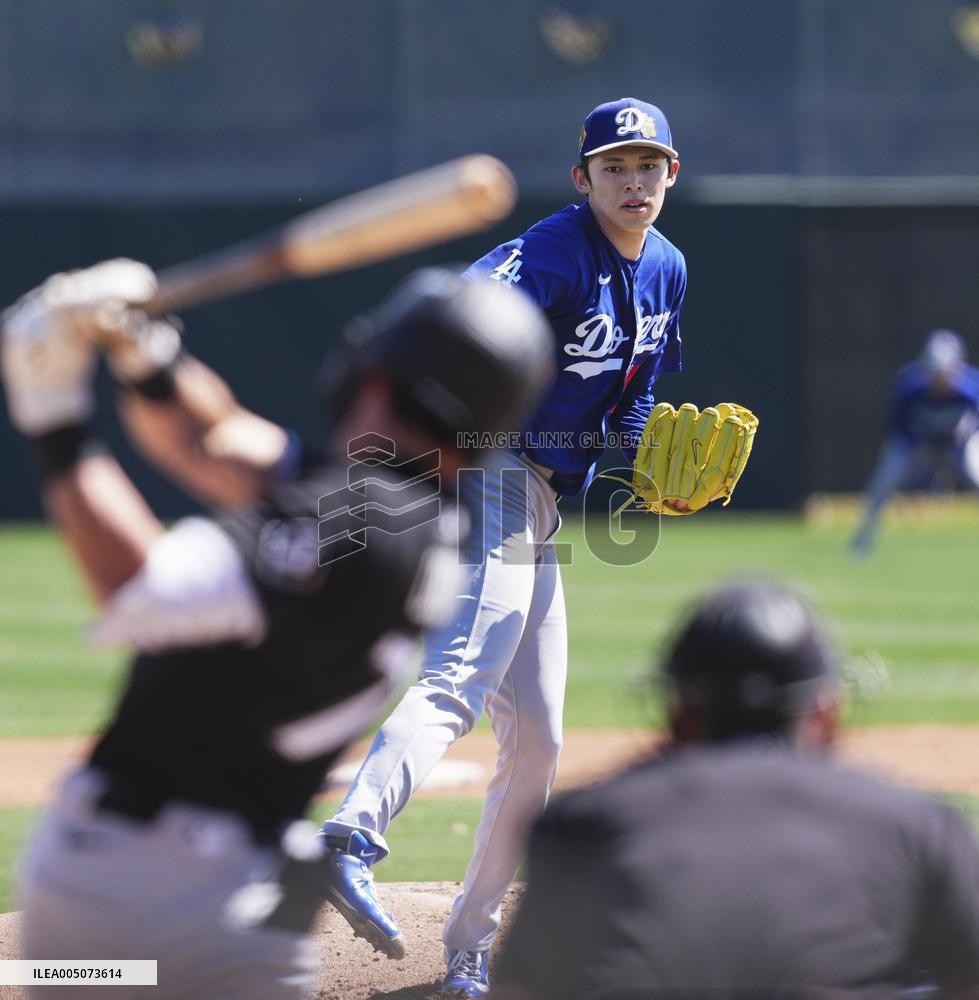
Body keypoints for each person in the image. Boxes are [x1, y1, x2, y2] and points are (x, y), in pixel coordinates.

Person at [1, 261, 553, 999]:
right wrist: (147, 355)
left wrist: (52, 411)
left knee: (84, 982)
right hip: (242, 906)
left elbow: (139, 589)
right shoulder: (412, 513)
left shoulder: (354, 517)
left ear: (376, 377)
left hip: (126, 894)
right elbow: (219, 441)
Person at [319, 97, 687, 996]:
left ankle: (471, 950)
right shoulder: (557, 250)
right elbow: (464, 313)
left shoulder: (667, 268)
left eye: (647, 166)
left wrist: (640, 477)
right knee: (461, 669)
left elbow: (631, 396)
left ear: (671, 174)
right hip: (489, 466)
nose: (631, 181)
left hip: (544, 494)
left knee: (541, 739)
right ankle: (349, 834)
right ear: (582, 179)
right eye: (614, 167)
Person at [492, 580, 979, 999]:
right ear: (825, 715)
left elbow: (523, 989)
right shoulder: (919, 825)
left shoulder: (581, 824)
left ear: (677, 714)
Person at [851, 328, 979, 555]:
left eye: (945, 372)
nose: (940, 379)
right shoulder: (909, 387)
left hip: (958, 446)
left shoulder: (970, 390)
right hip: (914, 445)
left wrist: (960, 443)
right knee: (884, 481)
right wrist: (917, 451)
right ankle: (863, 538)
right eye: (934, 372)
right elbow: (896, 425)